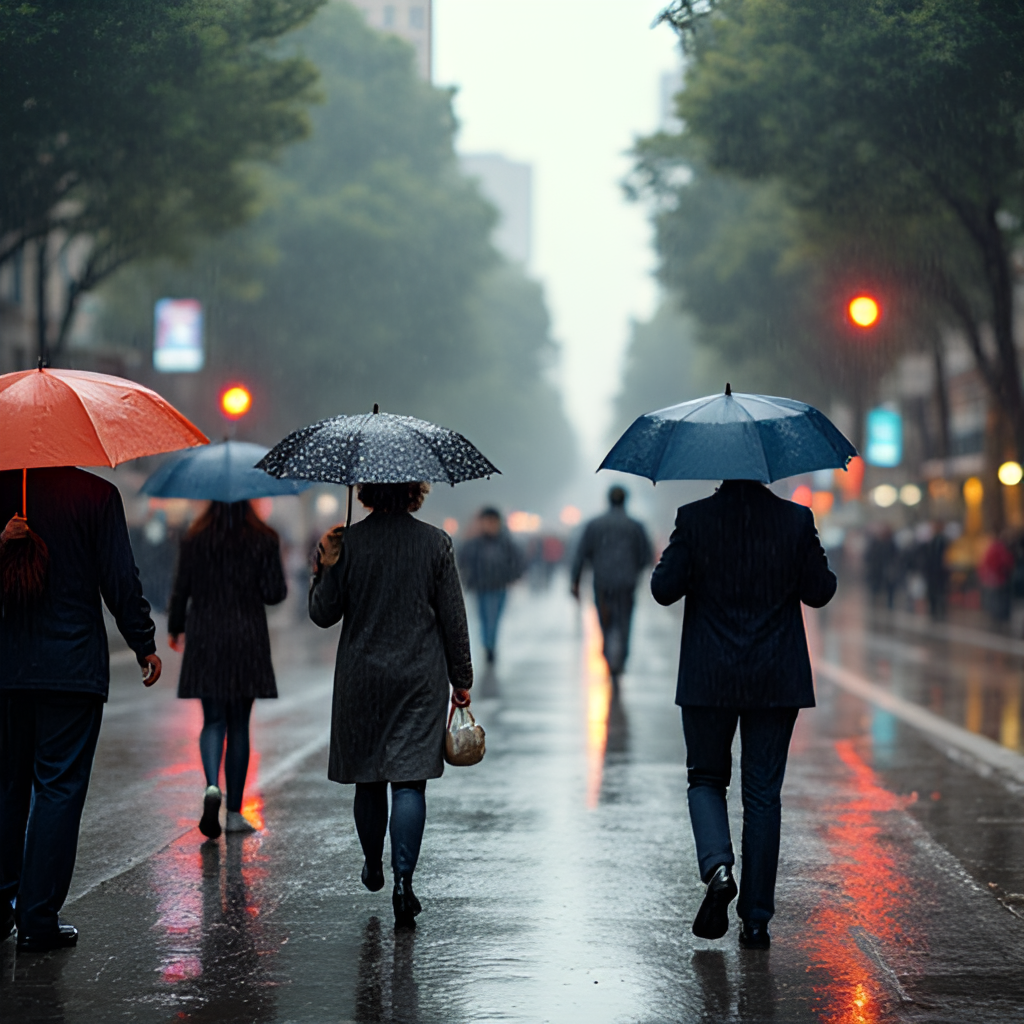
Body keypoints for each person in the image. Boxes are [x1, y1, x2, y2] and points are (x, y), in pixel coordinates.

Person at [650, 479, 836, 950]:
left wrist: (682, 556)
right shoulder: (796, 520)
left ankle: (717, 868)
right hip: (776, 677)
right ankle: (755, 921)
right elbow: (819, 592)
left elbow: (663, 590)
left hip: (708, 676)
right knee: (762, 796)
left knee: (706, 779)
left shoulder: (693, 519)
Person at [0, 467, 162, 952]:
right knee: (57, 789)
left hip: (8, 667)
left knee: (8, 785)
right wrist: (143, 641)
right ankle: (37, 917)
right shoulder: (96, 495)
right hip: (71, 668)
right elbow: (119, 578)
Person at [309, 481, 472, 929]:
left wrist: (325, 562)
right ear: (415, 492)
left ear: (365, 491)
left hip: (361, 678)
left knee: (368, 778)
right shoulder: (436, 543)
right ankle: (404, 882)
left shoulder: (347, 543)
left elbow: (323, 613)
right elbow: (452, 617)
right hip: (419, 679)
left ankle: (373, 862)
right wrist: (462, 679)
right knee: (409, 782)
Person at [167, 500, 287, 839]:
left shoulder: (196, 538)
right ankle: (234, 814)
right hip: (246, 636)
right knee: (239, 725)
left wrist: (176, 628)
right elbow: (275, 593)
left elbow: (181, 589)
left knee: (213, 719)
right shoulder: (264, 539)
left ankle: (210, 787)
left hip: (206, 633)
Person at [571, 486, 652, 691]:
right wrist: (633, 570)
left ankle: (609, 656)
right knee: (624, 623)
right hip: (626, 584)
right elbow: (646, 556)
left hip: (603, 584)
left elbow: (581, 554)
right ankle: (620, 660)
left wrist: (576, 582)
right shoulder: (635, 526)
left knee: (605, 623)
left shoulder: (595, 525)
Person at [457, 507, 525, 664]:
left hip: (499, 586)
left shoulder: (505, 543)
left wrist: (513, 577)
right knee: (484, 617)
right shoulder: (474, 543)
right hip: (481, 587)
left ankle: (490, 644)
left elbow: (517, 561)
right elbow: (462, 560)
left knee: (495, 617)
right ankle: (488, 645)